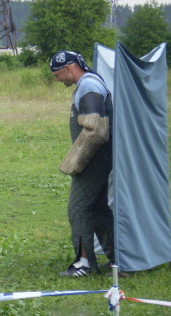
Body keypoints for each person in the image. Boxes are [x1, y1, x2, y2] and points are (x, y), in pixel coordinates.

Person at [50, 51, 115, 277]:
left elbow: (95, 131)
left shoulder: (89, 86)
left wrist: (73, 162)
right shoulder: (91, 83)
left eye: (58, 74)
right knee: (98, 211)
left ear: (70, 68)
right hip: (99, 159)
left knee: (77, 210)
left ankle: (84, 264)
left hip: (93, 161)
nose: (58, 80)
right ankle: (118, 262)